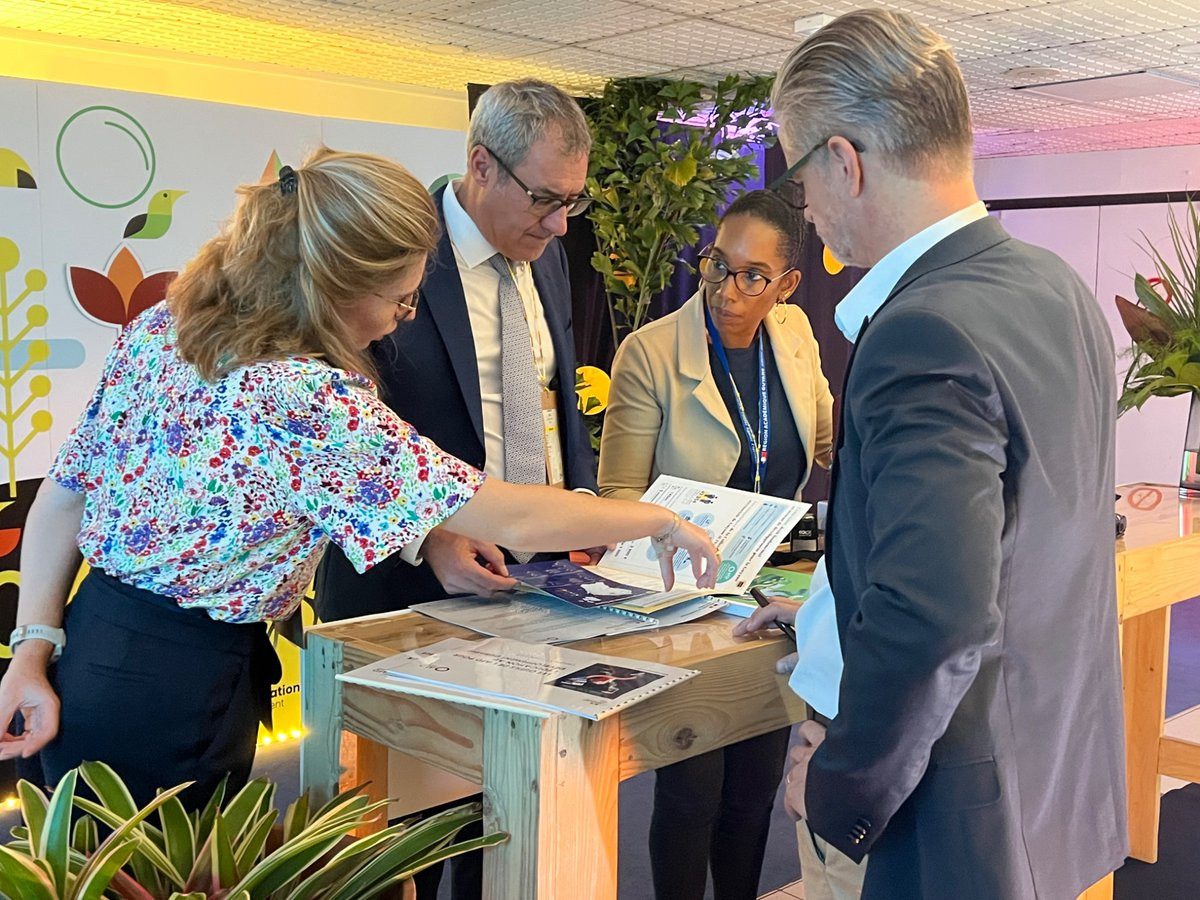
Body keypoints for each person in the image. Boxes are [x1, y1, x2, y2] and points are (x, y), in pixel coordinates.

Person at [0, 147, 719, 813]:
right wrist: (657, 518)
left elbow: (63, 497)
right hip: (176, 690)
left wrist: (32, 649)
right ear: (332, 287)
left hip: (93, 648)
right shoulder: (304, 397)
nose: (400, 321)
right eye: (399, 300)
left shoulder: (165, 325)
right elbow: (512, 516)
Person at [738, 9, 1126, 899]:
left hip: (943, 819)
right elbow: (1023, 545)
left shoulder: (921, 329)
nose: (807, 211)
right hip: (1050, 786)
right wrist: (830, 613)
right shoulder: (1055, 284)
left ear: (844, 162)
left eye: (800, 181)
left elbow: (936, 615)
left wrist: (840, 789)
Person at [599, 190, 834, 900]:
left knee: (754, 788)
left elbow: (829, 442)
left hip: (774, 596)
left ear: (787, 285)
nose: (728, 291)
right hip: (686, 599)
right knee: (691, 791)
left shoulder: (794, 335)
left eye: (753, 276)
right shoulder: (650, 352)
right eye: (717, 266)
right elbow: (617, 498)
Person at [315, 78, 598, 624]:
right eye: (543, 199)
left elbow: (557, 395)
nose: (560, 224)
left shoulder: (546, 254)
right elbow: (335, 445)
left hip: (540, 574)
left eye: (571, 201)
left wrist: (581, 505)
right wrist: (427, 536)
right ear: (482, 165)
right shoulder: (392, 245)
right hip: (407, 585)